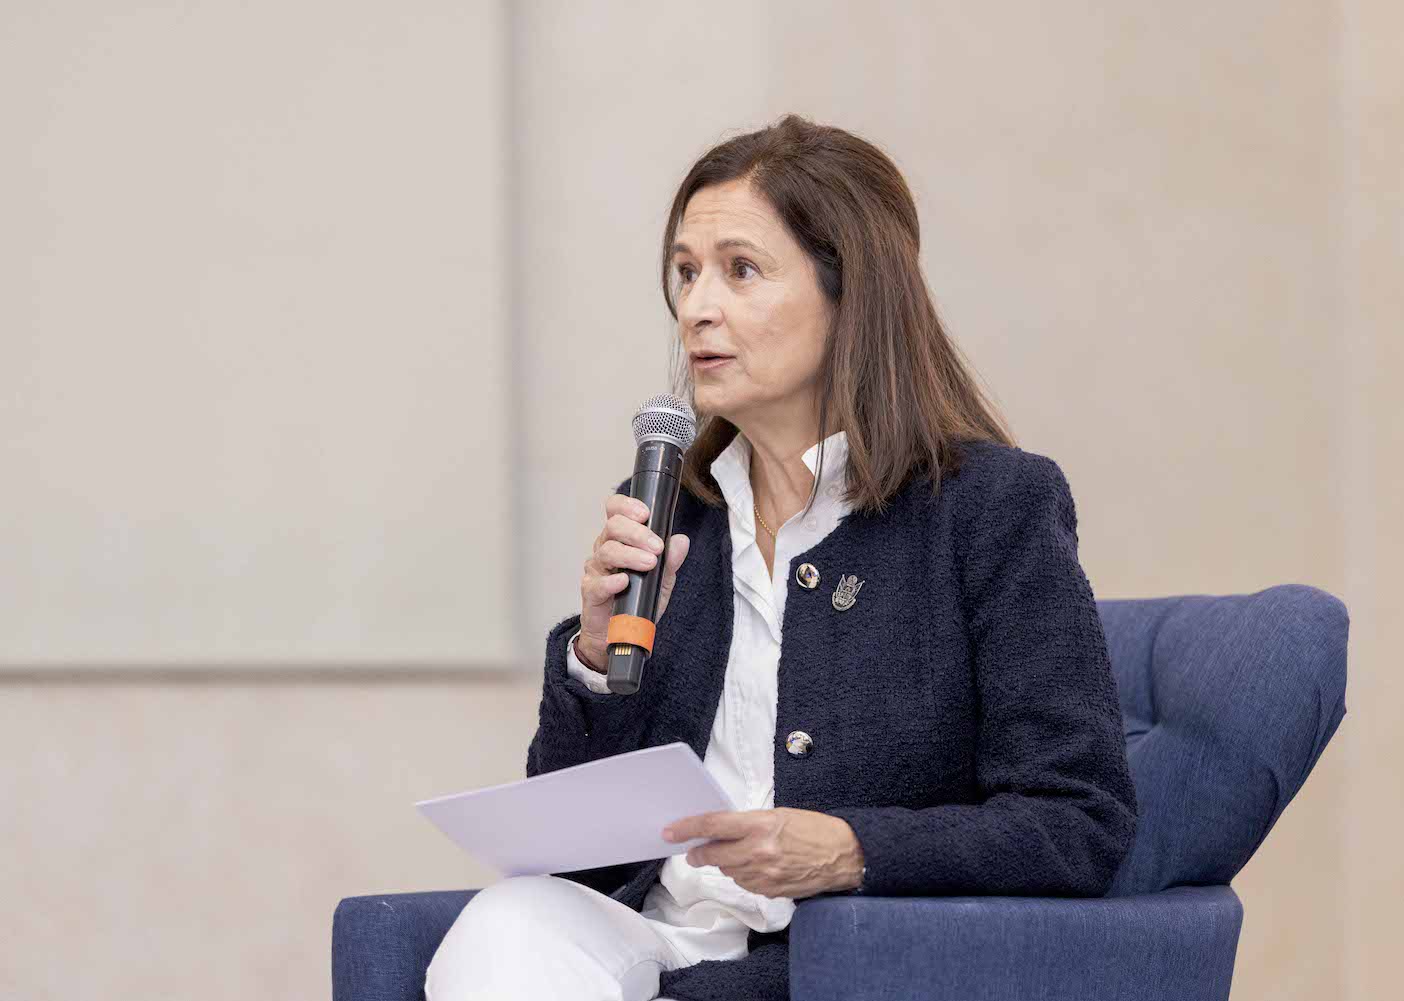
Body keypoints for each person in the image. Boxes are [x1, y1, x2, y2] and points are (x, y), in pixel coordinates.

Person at [424, 113, 1137, 1001]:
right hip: (656, 941)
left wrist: (850, 848)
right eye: (686, 272)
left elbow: (1079, 822)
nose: (697, 308)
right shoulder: (673, 511)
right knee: (509, 920)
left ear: (852, 293)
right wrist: (597, 659)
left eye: (741, 270)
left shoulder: (990, 508)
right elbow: (573, 857)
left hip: (838, 962)